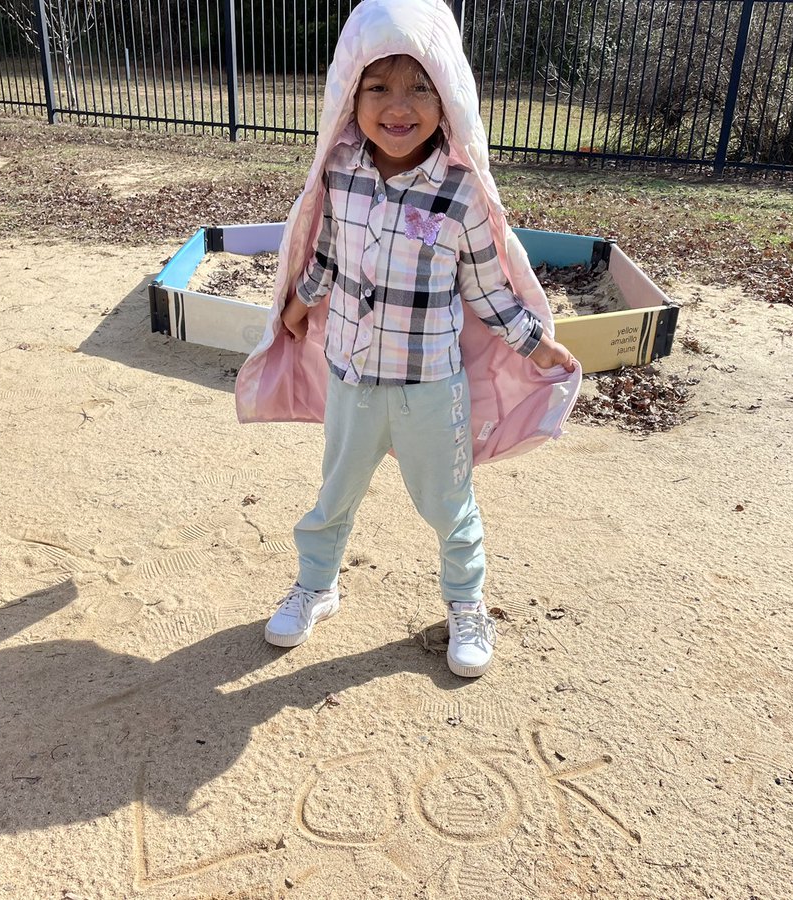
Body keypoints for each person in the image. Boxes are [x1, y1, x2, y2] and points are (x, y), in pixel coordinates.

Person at [234, 0, 582, 678]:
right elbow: (328, 255)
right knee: (335, 492)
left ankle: (465, 602)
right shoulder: (342, 170)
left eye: (419, 86)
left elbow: (486, 288)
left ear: (446, 95)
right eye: (379, 86)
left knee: (448, 503)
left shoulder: (458, 192)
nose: (399, 106)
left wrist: (535, 342)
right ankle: (317, 585)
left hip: (429, 386)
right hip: (353, 376)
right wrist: (301, 305)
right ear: (350, 94)